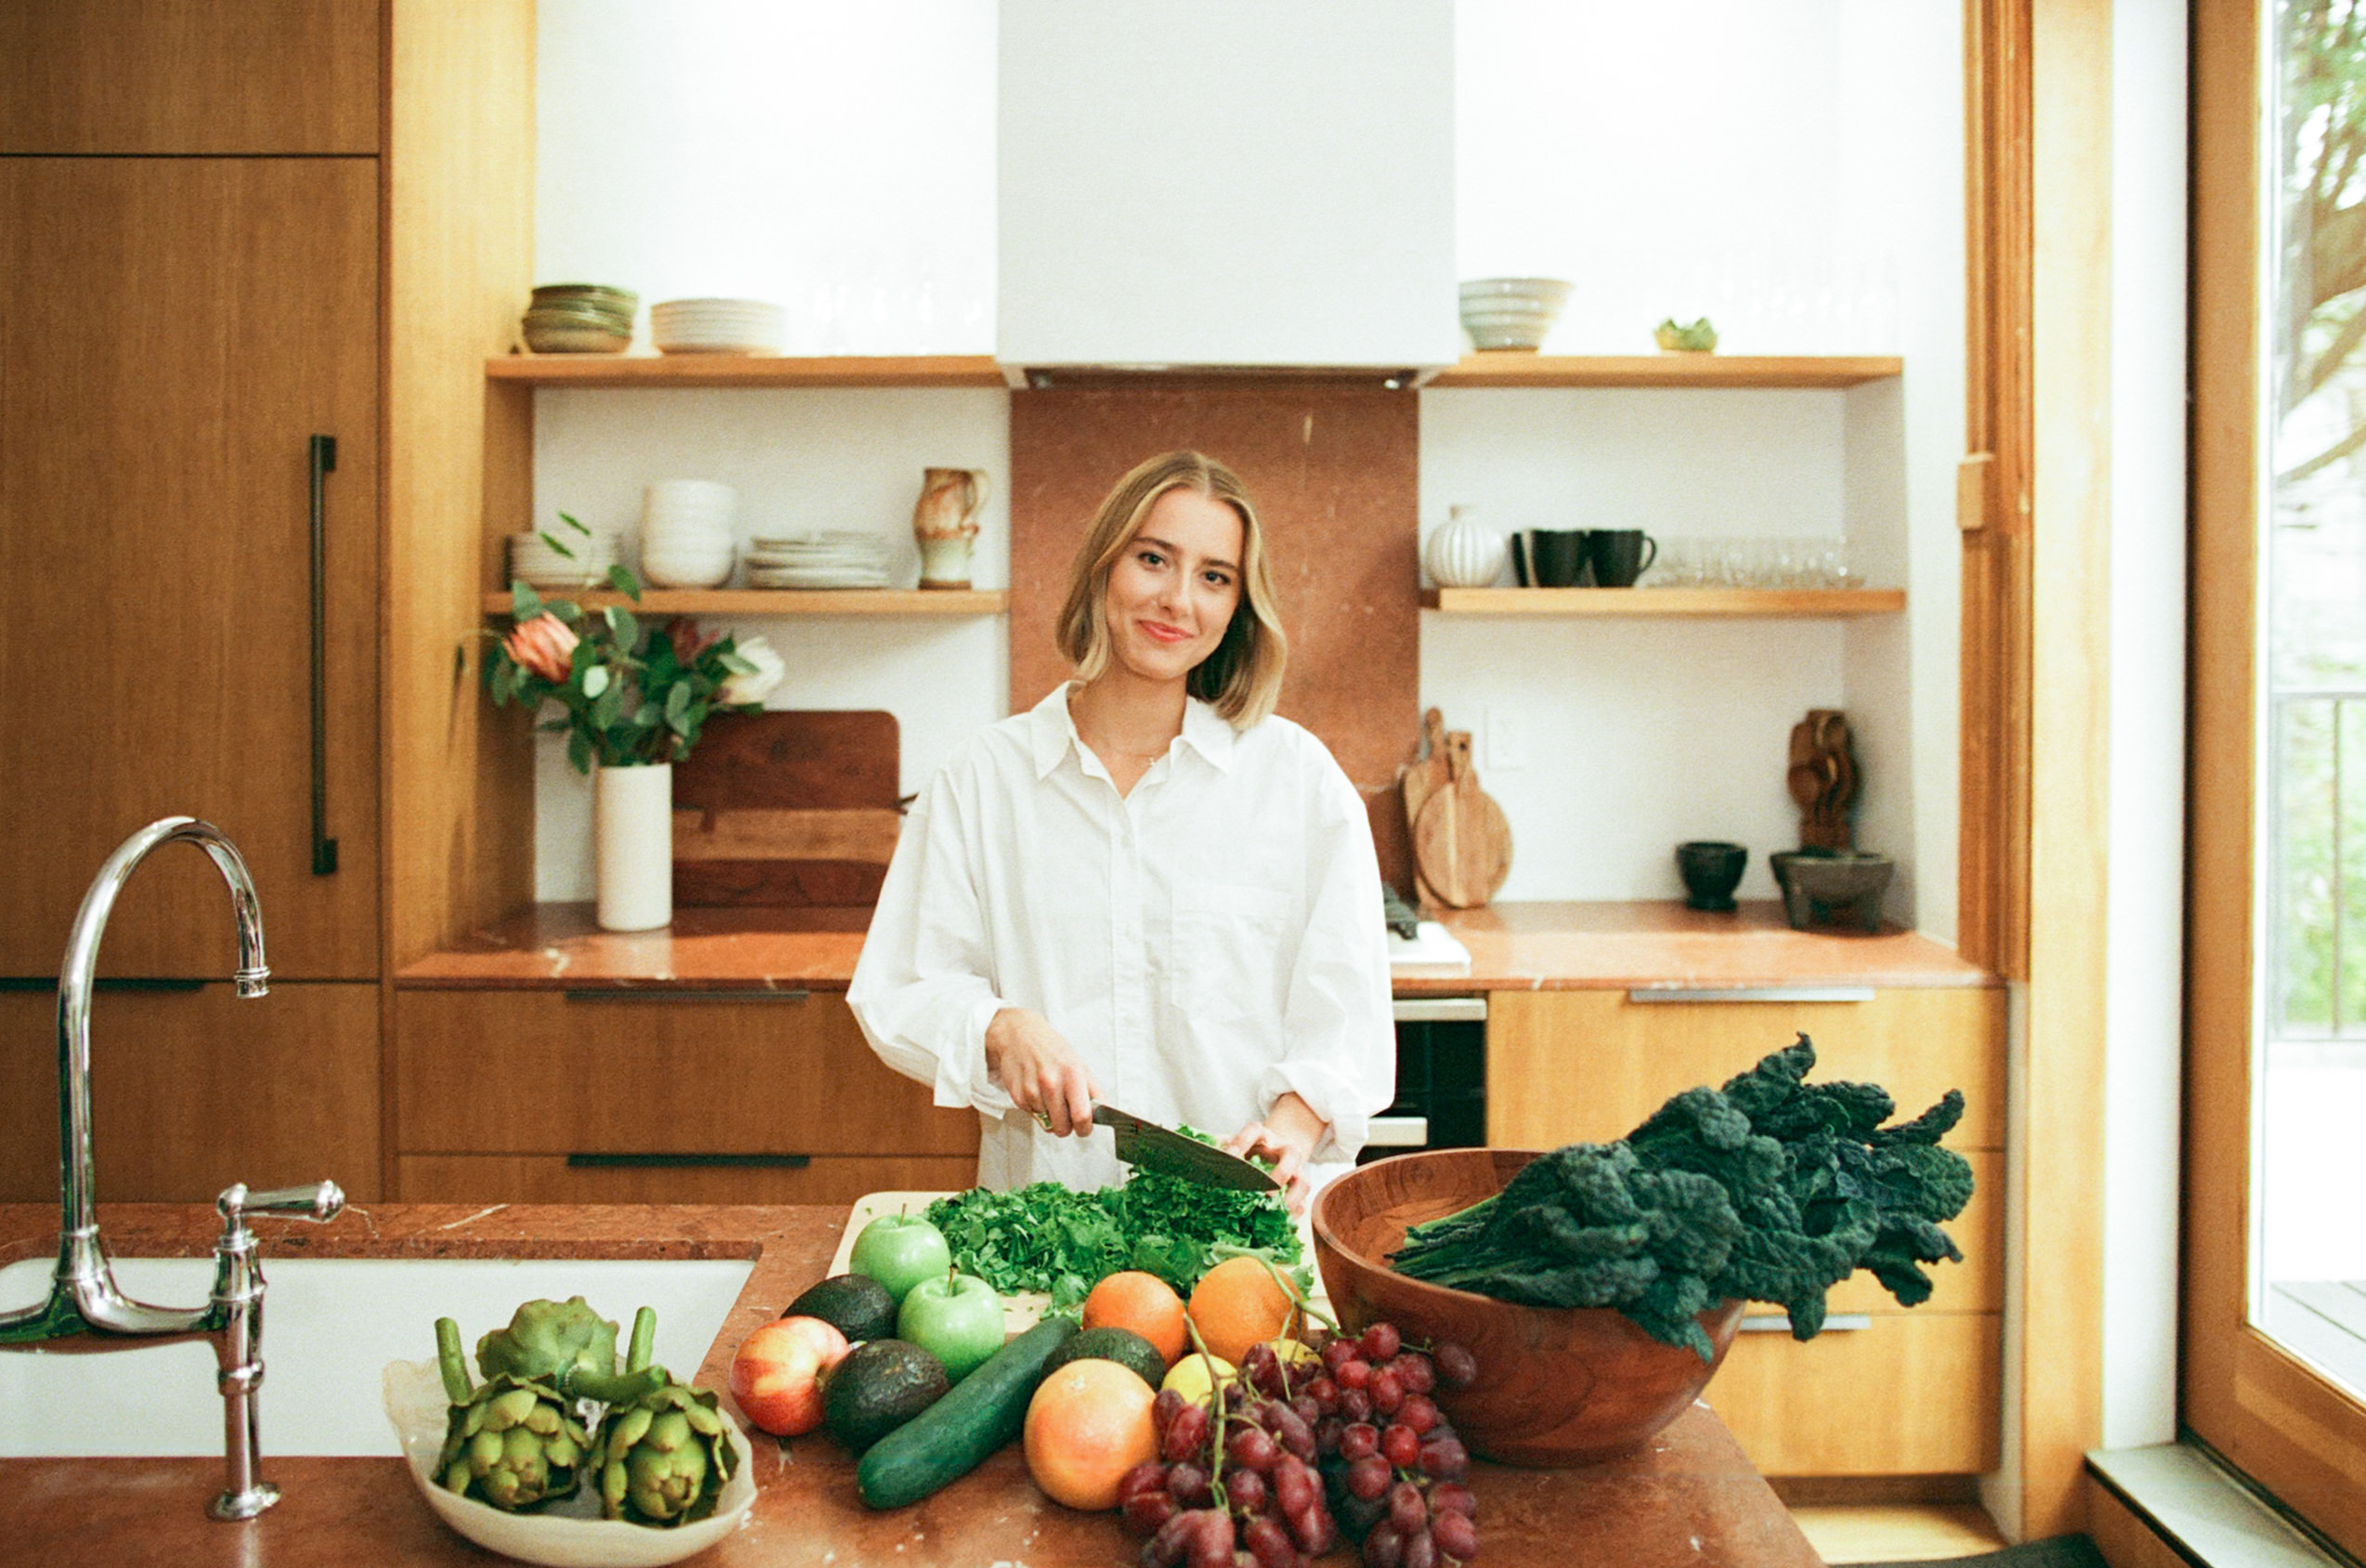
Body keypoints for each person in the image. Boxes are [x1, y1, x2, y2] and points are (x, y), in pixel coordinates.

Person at [847, 450, 1395, 1212]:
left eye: (1214, 576)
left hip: (1242, 1235)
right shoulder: (983, 778)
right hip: (1045, 1227)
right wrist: (999, 1027)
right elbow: (900, 989)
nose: (1177, 599)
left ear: (1238, 605)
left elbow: (1346, 1013)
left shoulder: (1297, 780)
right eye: (1152, 559)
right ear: (1104, 567)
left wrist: (1292, 1129)